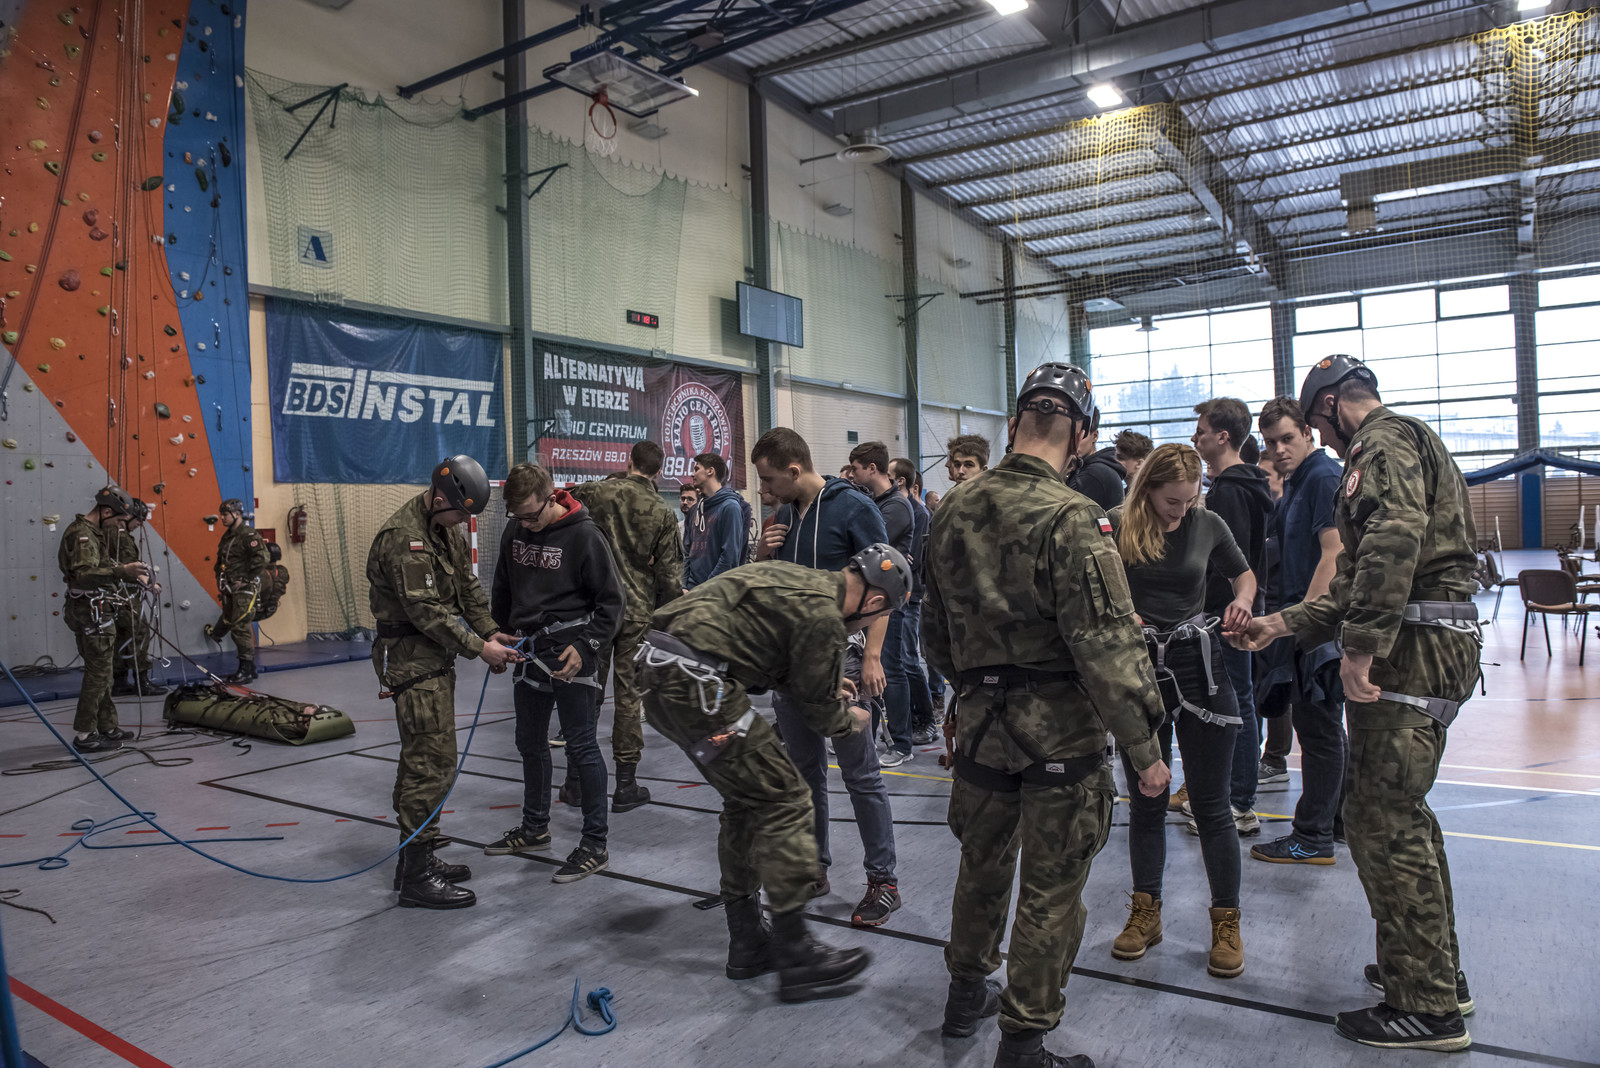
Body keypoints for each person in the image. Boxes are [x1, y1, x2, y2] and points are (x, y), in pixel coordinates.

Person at [925, 362, 1171, 1068]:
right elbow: (1106, 644)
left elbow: (934, 632)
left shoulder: (953, 509)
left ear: (1013, 426)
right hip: (1059, 732)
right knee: (1051, 888)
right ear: (1083, 436)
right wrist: (1146, 749)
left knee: (981, 865)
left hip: (980, 726)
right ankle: (1024, 1043)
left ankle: (964, 996)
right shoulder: (1073, 517)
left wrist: (975, 690)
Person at [1236, 356, 1479, 1052]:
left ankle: (1426, 1005)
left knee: (1383, 822)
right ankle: (1430, 970)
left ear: (1333, 405)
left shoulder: (1380, 441)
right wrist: (1280, 625)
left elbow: (1392, 544)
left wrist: (1362, 648)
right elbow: (1351, 583)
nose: (1325, 440)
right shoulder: (1406, 440)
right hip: (1425, 641)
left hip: (1411, 650)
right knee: (1402, 818)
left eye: (1318, 426)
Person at [637, 545, 910, 1002]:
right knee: (787, 798)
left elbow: (762, 648)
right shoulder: (825, 618)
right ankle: (797, 953)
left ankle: (748, 942)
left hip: (660, 670)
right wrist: (851, 720)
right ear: (876, 602)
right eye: (875, 619)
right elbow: (821, 715)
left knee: (748, 801)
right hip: (697, 683)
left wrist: (822, 683)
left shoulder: (799, 580)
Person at [1107, 443, 1256, 981]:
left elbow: (1244, 575)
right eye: (1172, 501)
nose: (1181, 510)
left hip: (1198, 668)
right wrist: (1122, 615)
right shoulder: (1115, 525)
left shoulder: (1206, 522)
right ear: (1147, 489)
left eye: (1190, 500)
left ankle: (1226, 923)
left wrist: (1243, 600)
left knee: (1212, 806)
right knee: (1146, 802)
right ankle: (1145, 913)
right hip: (1138, 671)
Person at [751, 427, 901, 928]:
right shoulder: (783, 518)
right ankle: (814, 867)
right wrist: (762, 553)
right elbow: (771, 588)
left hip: (845, 660)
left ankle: (883, 881)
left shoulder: (853, 508)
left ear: (794, 470)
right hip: (792, 665)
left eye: (769, 480)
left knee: (860, 774)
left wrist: (873, 654)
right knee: (804, 771)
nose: (764, 489)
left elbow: (886, 583)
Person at [367, 455, 519, 909]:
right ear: (438, 500)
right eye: (460, 514)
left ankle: (417, 857)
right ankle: (417, 878)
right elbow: (427, 613)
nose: (464, 524)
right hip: (413, 661)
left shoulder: (442, 529)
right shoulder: (405, 539)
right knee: (430, 764)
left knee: (428, 758)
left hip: (432, 658)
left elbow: (466, 587)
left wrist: (490, 630)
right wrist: (479, 648)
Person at [489, 462, 625, 884]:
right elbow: (502, 587)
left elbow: (613, 603)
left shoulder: (585, 535)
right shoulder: (516, 529)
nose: (526, 524)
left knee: (581, 747)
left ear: (551, 498)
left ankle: (595, 845)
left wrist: (586, 647)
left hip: (571, 653)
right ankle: (535, 828)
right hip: (529, 651)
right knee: (528, 741)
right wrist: (497, 637)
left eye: (532, 515)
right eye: (518, 516)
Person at [1252, 396, 1348, 863]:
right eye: (1271, 442)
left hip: (1316, 626)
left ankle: (1312, 836)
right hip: (1302, 623)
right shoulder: (1297, 481)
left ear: (1308, 433)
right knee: (1323, 728)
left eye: (1287, 439)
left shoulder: (1322, 477)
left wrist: (1300, 622)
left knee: (1318, 732)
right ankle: (1338, 820)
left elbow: (1334, 553)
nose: (1279, 450)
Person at [569, 441, 684, 812]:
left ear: (629, 461)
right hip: (636, 612)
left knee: (586, 692)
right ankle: (626, 784)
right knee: (629, 697)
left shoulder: (596, 492)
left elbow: (561, 505)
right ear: (659, 471)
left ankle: (575, 781)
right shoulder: (663, 511)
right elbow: (669, 577)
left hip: (597, 611)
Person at [1191, 399, 1274, 838]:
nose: (1195, 438)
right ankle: (1234, 796)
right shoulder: (1246, 484)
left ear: (1223, 437)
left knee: (1235, 705)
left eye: (1202, 431)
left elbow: (1231, 560)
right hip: (1233, 612)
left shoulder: (1230, 491)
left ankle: (1239, 803)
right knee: (1236, 702)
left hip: (1228, 615)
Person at [60, 486, 148, 754]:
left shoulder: (92, 532)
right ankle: (85, 734)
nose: (120, 526)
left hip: (95, 608)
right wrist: (122, 572)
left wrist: (129, 572)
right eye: (120, 520)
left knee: (104, 671)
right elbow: (84, 574)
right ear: (107, 511)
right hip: (90, 611)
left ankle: (107, 726)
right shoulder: (82, 535)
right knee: (98, 674)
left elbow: (102, 564)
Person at [848, 441, 916, 766]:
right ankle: (870, 735)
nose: (852, 475)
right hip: (871, 600)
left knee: (891, 669)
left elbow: (871, 550)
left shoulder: (896, 506)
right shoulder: (875, 503)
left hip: (891, 602)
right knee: (870, 670)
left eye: (855, 469)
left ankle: (901, 743)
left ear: (871, 468)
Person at [890, 457, 938, 746]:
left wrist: (896, 557)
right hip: (898, 593)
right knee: (898, 659)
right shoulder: (895, 507)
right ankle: (909, 716)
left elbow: (914, 558)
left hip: (912, 594)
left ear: (902, 481)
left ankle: (926, 719)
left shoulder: (918, 512)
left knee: (908, 659)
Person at [203, 499, 271, 684]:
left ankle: (245, 670)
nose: (222, 518)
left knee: (240, 627)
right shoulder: (228, 537)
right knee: (231, 621)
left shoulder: (248, 535)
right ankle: (250, 669)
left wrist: (246, 579)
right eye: (222, 515)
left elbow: (262, 558)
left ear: (236, 514)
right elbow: (222, 561)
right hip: (230, 588)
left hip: (245, 589)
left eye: (225, 515)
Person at [110, 499, 167, 697]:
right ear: (128, 516)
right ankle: (142, 682)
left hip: (116, 595)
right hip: (125, 596)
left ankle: (119, 681)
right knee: (139, 634)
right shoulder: (122, 537)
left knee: (121, 637)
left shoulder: (111, 533)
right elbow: (128, 567)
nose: (140, 524)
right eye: (139, 519)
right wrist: (150, 584)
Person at [684, 452, 750, 589]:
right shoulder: (694, 511)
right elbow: (686, 553)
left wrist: (706, 589)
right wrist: (683, 585)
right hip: (690, 591)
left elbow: (729, 558)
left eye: (696, 469)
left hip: (713, 592)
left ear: (710, 471)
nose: (692, 474)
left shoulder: (730, 507)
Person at [1065, 408, 1125, 511]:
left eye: (1081, 436)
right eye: (1068, 436)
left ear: (1095, 436)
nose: (1074, 443)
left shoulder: (1092, 474)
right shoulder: (1100, 468)